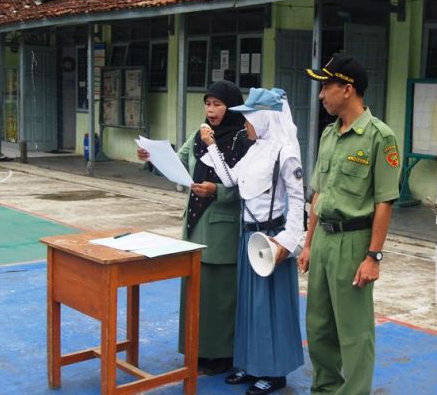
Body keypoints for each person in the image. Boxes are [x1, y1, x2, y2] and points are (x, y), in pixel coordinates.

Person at [299, 56, 401, 395]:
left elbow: (384, 202)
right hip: (325, 241)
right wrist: (310, 242)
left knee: (354, 330)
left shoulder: (379, 137)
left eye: (326, 87)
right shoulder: (329, 134)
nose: (321, 95)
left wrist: (374, 256)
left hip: (354, 242)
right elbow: (318, 194)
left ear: (347, 89)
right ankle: (325, 389)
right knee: (319, 325)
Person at [137, 80, 252, 375]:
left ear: (232, 107)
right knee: (195, 293)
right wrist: (152, 158)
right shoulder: (201, 133)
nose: (211, 110)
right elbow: (179, 160)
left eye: (217, 104)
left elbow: (247, 186)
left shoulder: (243, 138)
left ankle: (222, 355)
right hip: (195, 223)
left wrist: (217, 190)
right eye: (208, 103)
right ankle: (196, 349)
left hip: (222, 228)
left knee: (220, 297)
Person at [200, 87, 304, 395]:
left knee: (269, 307)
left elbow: (297, 200)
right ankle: (250, 363)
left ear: (263, 117)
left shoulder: (285, 151)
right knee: (249, 303)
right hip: (248, 235)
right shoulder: (256, 149)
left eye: (249, 118)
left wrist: (288, 242)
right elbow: (232, 180)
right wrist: (213, 147)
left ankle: (274, 372)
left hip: (272, 238)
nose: (245, 124)